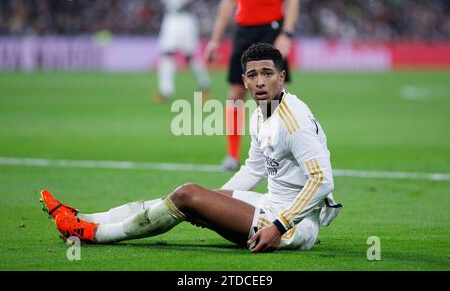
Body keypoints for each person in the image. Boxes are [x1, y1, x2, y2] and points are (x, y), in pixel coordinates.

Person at [41, 44, 341, 252]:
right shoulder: (262, 112)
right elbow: (254, 169)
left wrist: (278, 226)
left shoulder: (293, 119)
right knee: (189, 199)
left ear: (282, 76)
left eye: (267, 73)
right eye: (253, 75)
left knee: (187, 195)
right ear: (244, 82)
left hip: (292, 227)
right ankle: (85, 217)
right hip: (272, 206)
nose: (260, 81)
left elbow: (322, 179)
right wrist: (215, 203)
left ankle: (95, 235)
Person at [204, 0, 300, 171]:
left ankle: (279, 153)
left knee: (275, 96)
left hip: (272, 28)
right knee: (236, 94)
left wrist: (287, 33)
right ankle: (232, 155)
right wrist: (215, 39)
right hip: (243, 31)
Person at [153, 0, 211, 103]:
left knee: (190, 56)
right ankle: (165, 91)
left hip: (185, 20)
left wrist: (178, 6)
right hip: (170, 19)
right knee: (167, 54)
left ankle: (205, 85)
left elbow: (189, 2)